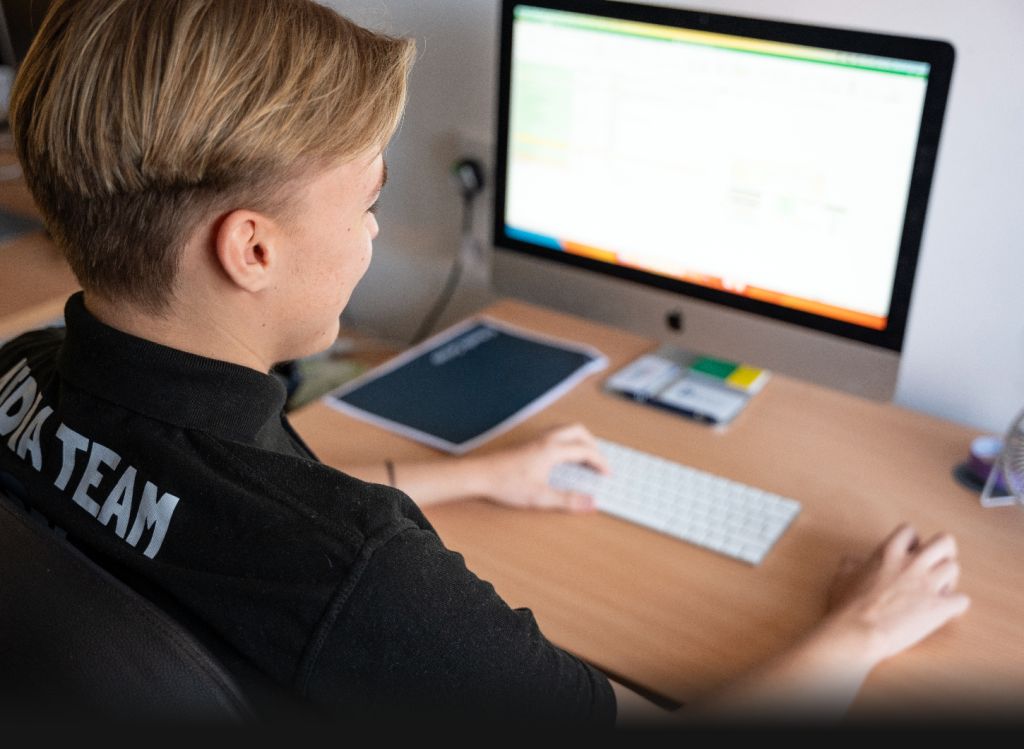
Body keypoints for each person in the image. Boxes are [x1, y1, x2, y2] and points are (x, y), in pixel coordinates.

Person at [0, 0, 968, 725]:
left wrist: (469, 476)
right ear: (252, 249)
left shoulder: (28, 369)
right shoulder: (366, 578)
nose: (375, 232)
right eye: (368, 201)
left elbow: (210, 513)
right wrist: (863, 628)